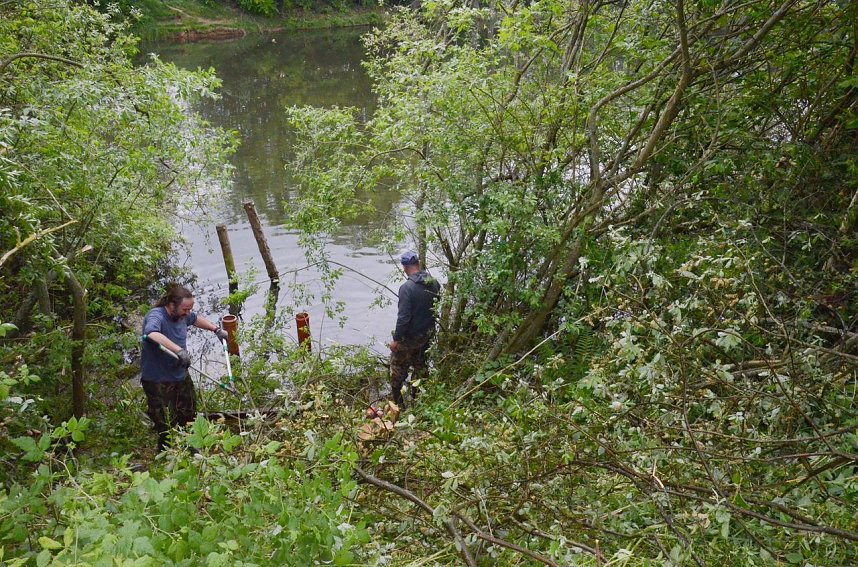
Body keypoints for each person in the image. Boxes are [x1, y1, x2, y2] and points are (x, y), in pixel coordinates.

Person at [141, 285, 228, 451]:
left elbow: (194, 319)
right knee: (166, 422)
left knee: (189, 413)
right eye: (184, 309)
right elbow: (151, 333)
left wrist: (215, 329)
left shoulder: (183, 315)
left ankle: (190, 446)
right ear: (172, 305)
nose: (187, 312)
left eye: (189, 309)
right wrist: (179, 350)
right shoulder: (156, 315)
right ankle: (167, 453)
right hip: (158, 379)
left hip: (179, 373)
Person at [389, 250, 441, 406]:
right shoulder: (434, 283)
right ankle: (416, 402)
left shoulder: (407, 288)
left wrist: (396, 340)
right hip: (426, 337)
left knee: (396, 374)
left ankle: (399, 407)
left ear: (404, 268)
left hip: (408, 340)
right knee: (420, 369)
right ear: (418, 264)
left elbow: (403, 319)